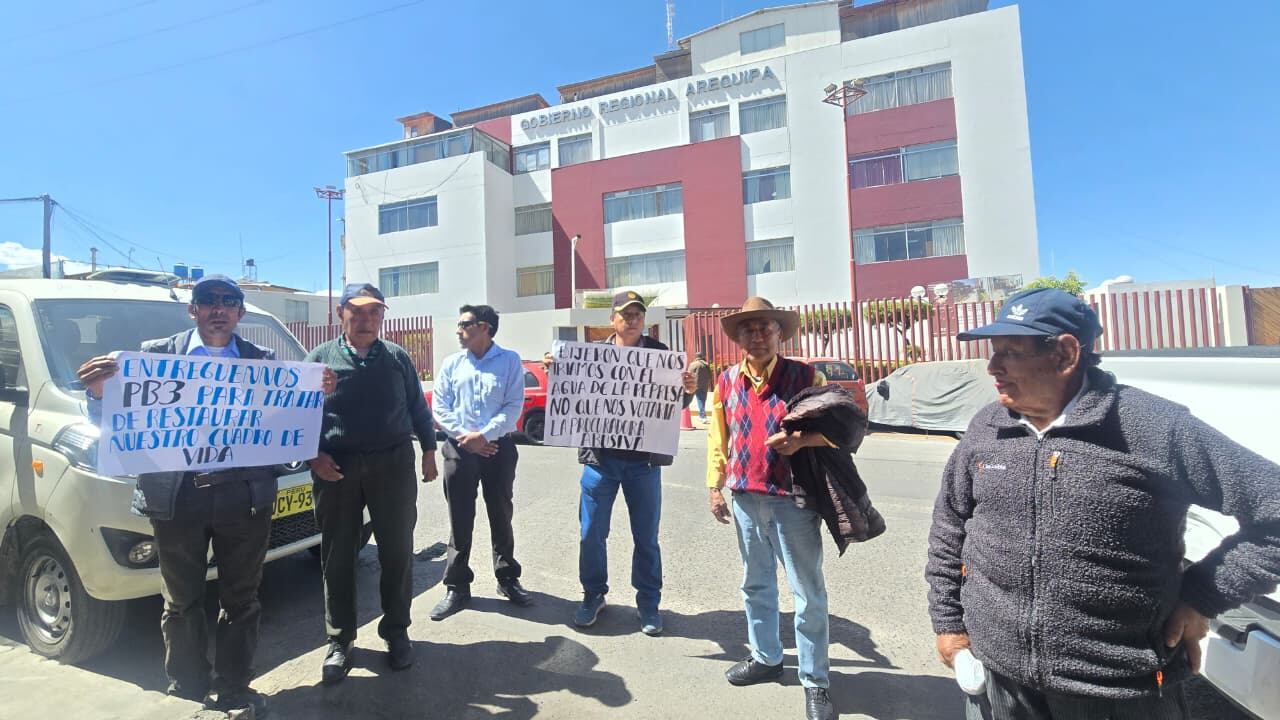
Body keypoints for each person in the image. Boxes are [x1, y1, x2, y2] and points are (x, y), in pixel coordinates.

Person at [925, 287, 1280, 720]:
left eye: (1010, 352)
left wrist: (1202, 596)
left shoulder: (1153, 427)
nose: (992, 366)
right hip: (998, 682)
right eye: (993, 351)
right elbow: (950, 527)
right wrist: (949, 625)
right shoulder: (988, 426)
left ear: (1065, 354)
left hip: (1119, 691)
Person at [77, 274, 320, 717]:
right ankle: (187, 687)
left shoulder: (264, 362)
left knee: (242, 600)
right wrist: (97, 393)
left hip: (244, 499)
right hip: (177, 498)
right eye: (209, 300)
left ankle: (233, 688)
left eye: (229, 302)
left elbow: (291, 423)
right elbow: (111, 417)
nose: (219, 308)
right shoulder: (151, 359)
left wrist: (317, 396)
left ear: (241, 314)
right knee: (182, 600)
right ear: (193, 310)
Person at [705, 296, 838, 720]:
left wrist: (802, 441)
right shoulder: (725, 381)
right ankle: (766, 658)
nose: (757, 335)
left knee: (806, 593)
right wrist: (714, 486)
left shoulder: (804, 376)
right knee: (755, 586)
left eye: (766, 328)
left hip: (792, 501)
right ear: (738, 336)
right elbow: (717, 439)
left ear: (780, 333)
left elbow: (841, 432)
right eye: (749, 329)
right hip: (745, 499)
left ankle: (815, 681)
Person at [307, 283, 438, 684]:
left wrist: (430, 451)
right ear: (341, 313)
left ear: (382, 316)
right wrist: (314, 455)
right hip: (337, 467)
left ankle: (396, 632)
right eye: (357, 312)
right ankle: (340, 641)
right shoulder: (319, 360)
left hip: (393, 464)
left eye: (374, 313)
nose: (366, 320)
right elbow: (295, 413)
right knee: (338, 556)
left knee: (397, 552)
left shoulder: (397, 358)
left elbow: (417, 406)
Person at [552, 290, 696, 635]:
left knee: (646, 537)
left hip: (643, 465)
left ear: (643, 319)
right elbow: (572, 396)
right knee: (591, 534)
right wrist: (558, 370)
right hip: (600, 462)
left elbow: (673, 406)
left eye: (637, 314)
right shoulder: (594, 356)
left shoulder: (660, 355)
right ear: (611, 319)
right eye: (625, 314)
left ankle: (648, 602)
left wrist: (688, 389)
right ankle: (593, 595)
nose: (631, 319)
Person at [428, 304, 532, 621]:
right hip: (459, 449)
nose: (458, 330)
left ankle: (507, 578)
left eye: (464, 324)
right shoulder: (451, 364)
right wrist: (468, 438)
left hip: (498, 448)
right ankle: (457, 586)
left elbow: (513, 406)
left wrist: (484, 436)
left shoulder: (510, 361)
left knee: (501, 512)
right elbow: (440, 408)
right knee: (460, 517)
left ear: (484, 327)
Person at [688, 351, 713, 420]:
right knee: (703, 400)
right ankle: (702, 415)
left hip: (696, 385)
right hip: (705, 385)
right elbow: (710, 375)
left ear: (695, 357)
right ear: (701, 357)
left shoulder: (693, 364)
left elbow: (689, 374)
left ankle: (702, 416)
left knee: (699, 400)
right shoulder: (706, 364)